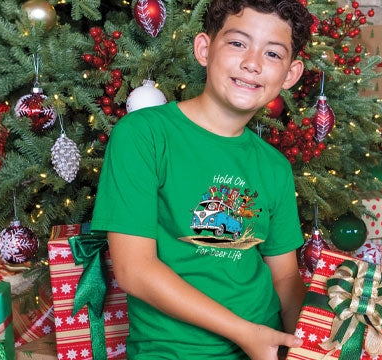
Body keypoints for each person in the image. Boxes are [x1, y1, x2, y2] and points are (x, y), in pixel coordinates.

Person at [89, 0, 313, 358]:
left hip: (265, 347)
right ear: (204, 49)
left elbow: (285, 278)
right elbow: (134, 269)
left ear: (290, 74)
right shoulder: (143, 135)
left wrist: (312, 343)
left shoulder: (274, 166)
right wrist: (246, 334)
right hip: (175, 351)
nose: (252, 63)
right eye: (238, 43)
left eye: (272, 54)